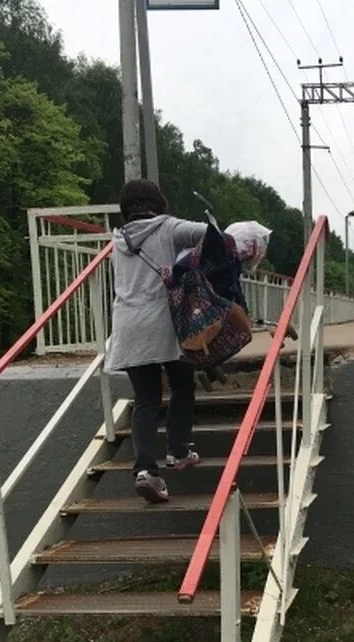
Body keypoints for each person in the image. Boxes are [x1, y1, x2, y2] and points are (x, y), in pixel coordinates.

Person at [106, 179, 206, 504]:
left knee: (146, 399)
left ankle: (145, 471)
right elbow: (207, 234)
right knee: (182, 384)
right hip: (162, 322)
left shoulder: (118, 240)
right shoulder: (168, 227)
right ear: (157, 201)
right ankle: (178, 451)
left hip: (127, 324)